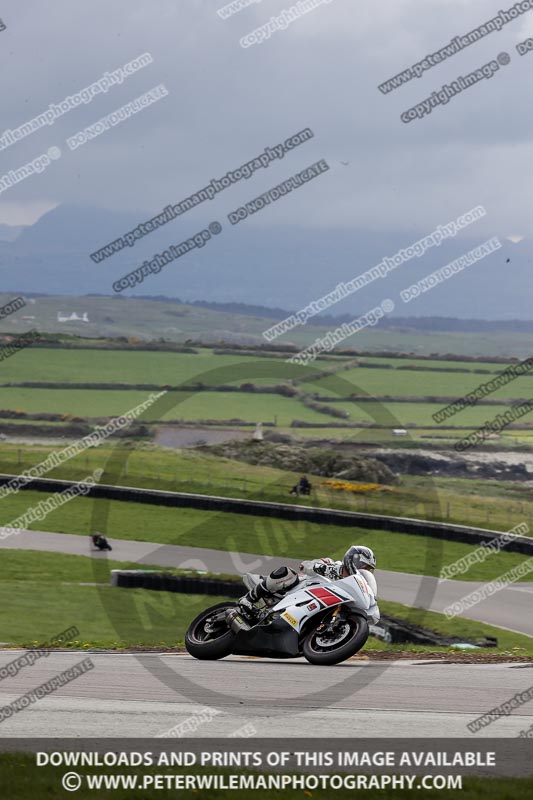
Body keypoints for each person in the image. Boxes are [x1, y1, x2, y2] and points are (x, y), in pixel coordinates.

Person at [238, 545, 377, 622]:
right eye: (364, 566)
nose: (364, 570)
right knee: (287, 572)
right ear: (354, 559)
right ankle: (248, 599)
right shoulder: (332, 564)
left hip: (315, 605)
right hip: (295, 590)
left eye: (367, 569)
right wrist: (321, 567)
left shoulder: (353, 587)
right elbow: (304, 566)